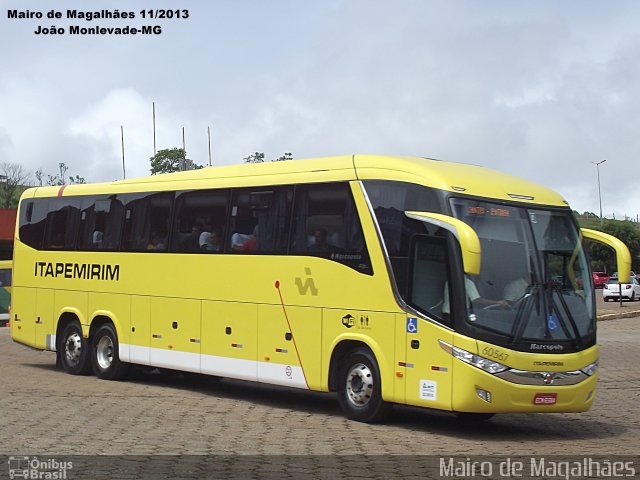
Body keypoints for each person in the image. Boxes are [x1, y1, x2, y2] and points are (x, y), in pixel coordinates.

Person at [442, 276, 509, 315]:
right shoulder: (467, 282)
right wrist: (498, 302)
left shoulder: (450, 280)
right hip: (458, 315)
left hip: (445, 312)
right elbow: (476, 300)